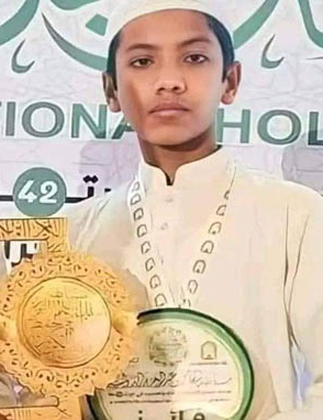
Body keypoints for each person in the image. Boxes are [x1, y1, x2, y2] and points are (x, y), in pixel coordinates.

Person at [62, 1, 323, 418]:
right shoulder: (74, 232)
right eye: (143, 61)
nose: (169, 81)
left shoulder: (296, 214)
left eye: (194, 58)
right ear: (111, 91)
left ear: (230, 81)